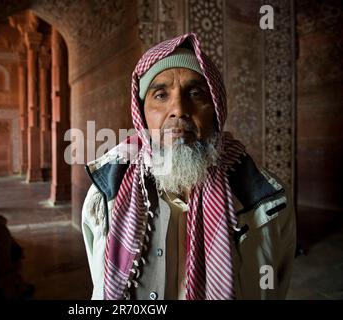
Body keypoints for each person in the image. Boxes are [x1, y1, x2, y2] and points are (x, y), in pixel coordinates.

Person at [81, 33, 296, 300]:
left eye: (196, 93)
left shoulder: (268, 203)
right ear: (142, 114)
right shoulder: (104, 198)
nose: (179, 109)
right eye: (160, 95)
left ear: (216, 109)